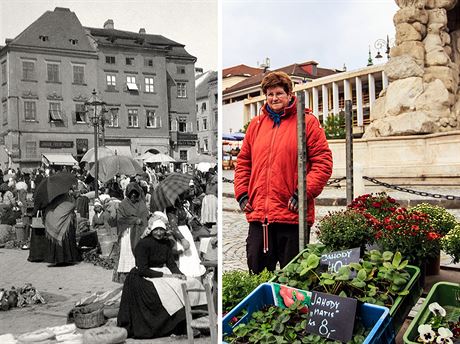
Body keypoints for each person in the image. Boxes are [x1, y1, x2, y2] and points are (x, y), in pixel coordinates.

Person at [234, 71, 333, 274]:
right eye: (269, 94)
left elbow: (323, 162)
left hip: (292, 215)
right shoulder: (256, 125)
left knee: (293, 276)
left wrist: (302, 192)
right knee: (256, 271)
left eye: (279, 93)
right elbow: (244, 162)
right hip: (259, 215)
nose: (274, 98)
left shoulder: (307, 122)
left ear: (289, 94)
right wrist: (242, 194)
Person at [117, 213, 189, 339]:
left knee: (181, 286)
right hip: (140, 277)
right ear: (151, 231)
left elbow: (171, 264)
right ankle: (157, 327)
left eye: (161, 230)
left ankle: (180, 323)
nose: (159, 233)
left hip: (160, 273)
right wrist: (165, 276)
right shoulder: (143, 244)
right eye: (156, 230)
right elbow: (143, 269)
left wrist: (179, 275)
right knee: (153, 293)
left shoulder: (166, 244)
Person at [112, 182, 149, 283]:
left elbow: (145, 217)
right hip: (128, 234)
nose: (133, 195)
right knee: (127, 254)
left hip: (140, 232)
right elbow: (120, 219)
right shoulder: (123, 204)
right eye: (131, 193)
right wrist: (134, 220)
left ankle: (138, 274)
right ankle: (126, 277)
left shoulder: (141, 204)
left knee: (138, 253)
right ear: (127, 193)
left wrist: (142, 221)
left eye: (135, 193)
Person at [43, 193, 81, 265]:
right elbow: (71, 206)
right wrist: (74, 199)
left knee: (56, 240)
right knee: (66, 240)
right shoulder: (66, 198)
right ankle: (66, 258)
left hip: (53, 220)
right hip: (65, 223)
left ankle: (56, 258)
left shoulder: (52, 199)